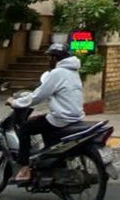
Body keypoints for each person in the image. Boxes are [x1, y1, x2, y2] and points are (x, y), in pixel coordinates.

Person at [7, 42, 85, 184]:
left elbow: (37, 97)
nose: (48, 61)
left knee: (25, 128)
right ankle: (50, 164)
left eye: (50, 58)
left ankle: (24, 169)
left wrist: (15, 102)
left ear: (55, 58)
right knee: (41, 122)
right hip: (75, 116)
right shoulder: (73, 71)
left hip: (61, 118)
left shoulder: (57, 73)